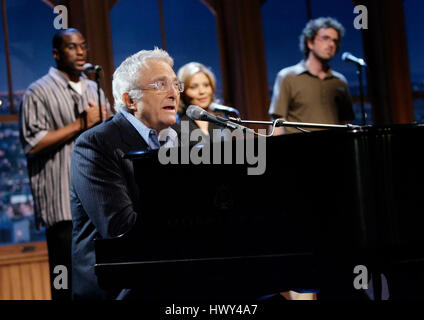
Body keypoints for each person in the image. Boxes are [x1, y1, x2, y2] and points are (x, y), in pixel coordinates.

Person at [70, 48, 181, 299]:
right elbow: (120, 230)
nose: (174, 93)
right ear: (130, 100)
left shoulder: (180, 140)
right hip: (120, 287)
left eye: (176, 85)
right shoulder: (96, 144)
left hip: (171, 275)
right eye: (160, 85)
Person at [19, 28, 109, 300]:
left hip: (96, 199)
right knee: (64, 280)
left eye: (83, 46)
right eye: (72, 47)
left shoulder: (95, 87)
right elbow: (32, 143)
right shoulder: (38, 91)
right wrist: (80, 125)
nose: (81, 52)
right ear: (57, 53)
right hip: (61, 204)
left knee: (99, 278)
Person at [269, 17, 354, 135]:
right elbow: (278, 123)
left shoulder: (340, 81)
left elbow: (346, 123)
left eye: (335, 41)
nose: (331, 44)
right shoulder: (288, 76)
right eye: (325, 38)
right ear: (310, 42)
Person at [172, 62, 230, 144]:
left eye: (206, 85)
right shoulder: (177, 124)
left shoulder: (221, 120)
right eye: (193, 87)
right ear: (183, 91)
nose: (202, 91)